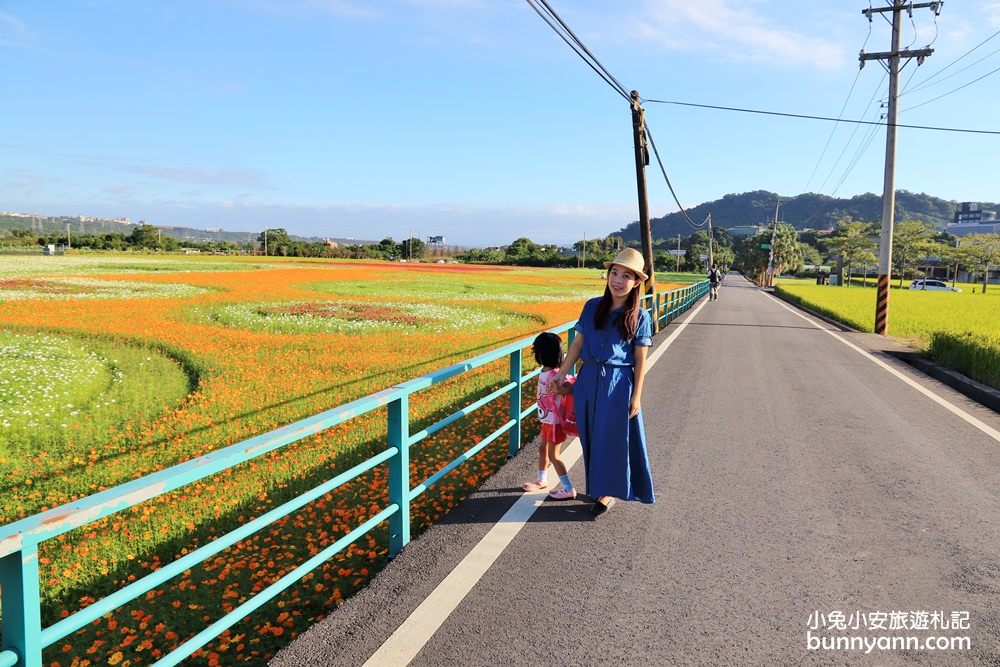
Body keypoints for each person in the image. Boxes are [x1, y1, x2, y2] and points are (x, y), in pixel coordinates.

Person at [548, 247, 655, 516]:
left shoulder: (640, 317)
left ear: (636, 282)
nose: (617, 280)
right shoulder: (592, 306)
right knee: (591, 437)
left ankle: (608, 492)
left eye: (625, 276)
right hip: (588, 378)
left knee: (613, 438)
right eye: (614, 273)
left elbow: (641, 360)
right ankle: (598, 485)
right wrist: (561, 373)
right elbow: (578, 343)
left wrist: (637, 396)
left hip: (619, 383)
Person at [522, 332, 577, 500]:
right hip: (547, 421)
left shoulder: (555, 375)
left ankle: (568, 488)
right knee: (542, 449)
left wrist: (562, 389)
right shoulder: (546, 372)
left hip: (555, 423)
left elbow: (571, 385)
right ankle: (541, 479)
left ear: (540, 354)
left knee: (554, 455)